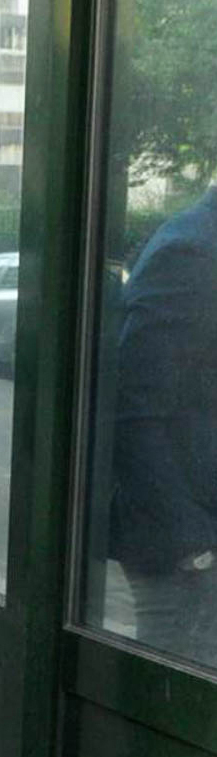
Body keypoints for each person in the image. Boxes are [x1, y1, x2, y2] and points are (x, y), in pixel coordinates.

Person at [110, 184, 217, 667]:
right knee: (169, 710)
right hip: (186, 558)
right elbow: (134, 409)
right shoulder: (193, 249)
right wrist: (192, 550)